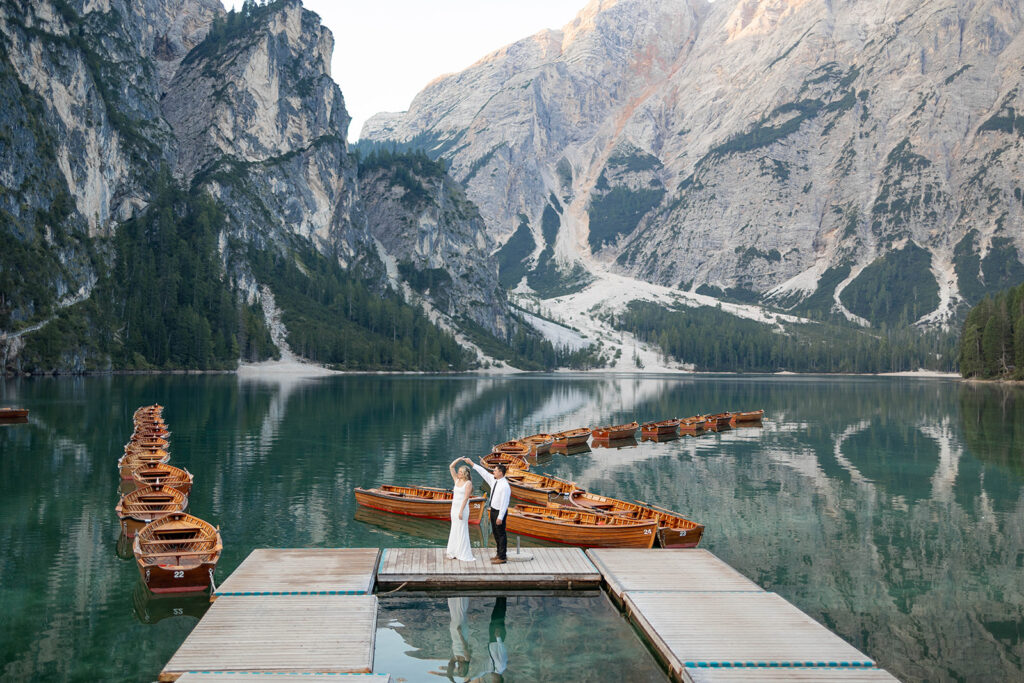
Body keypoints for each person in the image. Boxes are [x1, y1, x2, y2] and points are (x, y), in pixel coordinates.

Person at [462, 457, 509, 564]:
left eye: (495, 470)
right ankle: (498, 554)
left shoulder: (505, 486)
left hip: (499, 512)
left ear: (500, 473)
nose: (493, 472)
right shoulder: (494, 480)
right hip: (493, 510)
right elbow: (484, 472)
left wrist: (500, 517)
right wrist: (472, 464)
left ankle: (502, 557)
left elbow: (505, 503)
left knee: (501, 534)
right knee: (496, 533)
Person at [446, 458, 476, 561]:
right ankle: (453, 551)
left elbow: (466, 498)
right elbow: (451, 466)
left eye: (460, 472)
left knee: (462, 529)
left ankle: (461, 552)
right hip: (454, 508)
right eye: (458, 472)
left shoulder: (468, 483)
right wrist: (459, 459)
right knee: (454, 528)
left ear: (464, 474)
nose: (458, 473)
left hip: (462, 509)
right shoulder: (457, 480)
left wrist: (461, 511)